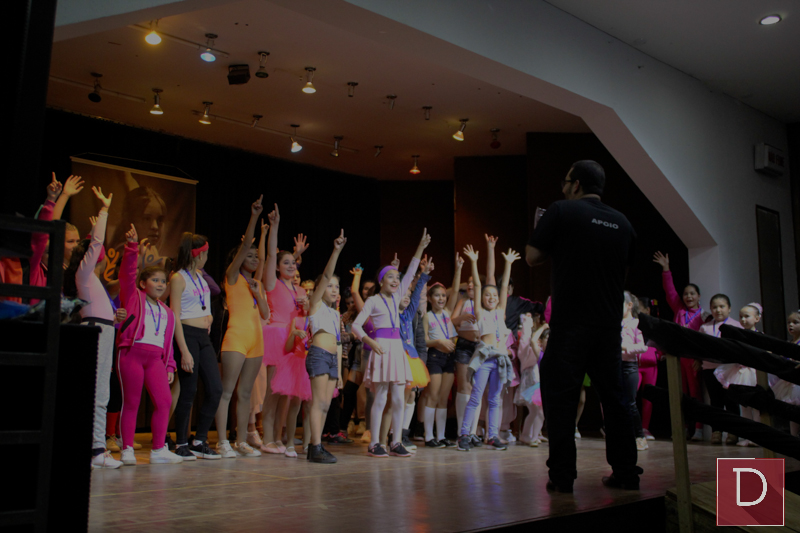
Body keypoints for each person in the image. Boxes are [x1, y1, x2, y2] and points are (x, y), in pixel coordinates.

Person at [526, 160, 640, 493]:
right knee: (616, 401)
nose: (563, 188)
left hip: (570, 325)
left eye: (565, 182)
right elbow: (623, 270)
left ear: (575, 184)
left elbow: (532, 257)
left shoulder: (561, 211)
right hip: (608, 328)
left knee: (561, 400)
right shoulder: (623, 223)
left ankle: (562, 478)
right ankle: (626, 474)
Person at [352, 229, 430, 458]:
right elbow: (356, 326)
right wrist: (370, 341)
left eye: (397, 277)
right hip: (382, 348)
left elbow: (412, 271)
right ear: (381, 281)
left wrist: (421, 247)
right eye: (391, 277)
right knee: (380, 398)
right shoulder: (373, 300)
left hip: (397, 348)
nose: (396, 280)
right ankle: (375, 442)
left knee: (398, 398)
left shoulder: (397, 297)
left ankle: (395, 441)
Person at [63, 185, 123, 469]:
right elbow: (96, 242)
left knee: (101, 392)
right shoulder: (83, 274)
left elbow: (94, 244)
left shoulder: (90, 278)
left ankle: (96, 448)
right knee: (98, 392)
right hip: (97, 331)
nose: (98, 254)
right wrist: (104, 210)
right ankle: (96, 450)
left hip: (104, 330)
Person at [118, 224, 183, 465]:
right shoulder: (134, 297)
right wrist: (132, 247)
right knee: (132, 402)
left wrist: (170, 365)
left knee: (164, 402)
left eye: (163, 281)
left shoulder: (167, 312)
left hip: (155, 360)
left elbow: (168, 342)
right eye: (155, 280)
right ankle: (127, 448)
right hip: (132, 354)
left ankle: (158, 450)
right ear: (143, 283)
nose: (160, 284)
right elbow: (127, 275)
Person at [213, 196, 270, 458]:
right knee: (226, 392)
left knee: (245, 393)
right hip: (236, 338)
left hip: (256, 340)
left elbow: (265, 313)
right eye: (250, 255)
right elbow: (246, 243)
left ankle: (240, 441)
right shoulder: (232, 276)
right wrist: (255, 216)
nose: (255, 258)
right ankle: (222, 442)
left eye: (256, 256)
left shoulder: (256, 284)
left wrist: (258, 294)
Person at [457, 245, 519, 452]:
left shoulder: (500, 312)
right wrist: (474, 262)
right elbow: (477, 284)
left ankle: (493, 436)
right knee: (476, 397)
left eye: (494, 295)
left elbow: (504, 287)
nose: (491, 297)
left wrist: (508, 264)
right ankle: (464, 434)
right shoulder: (481, 313)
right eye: (487, 295)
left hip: (499, 360)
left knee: (494, 400)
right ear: (481, 299)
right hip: (484, 359)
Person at [169, 232, 223, 460]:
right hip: (187, 335)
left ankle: (199, 440)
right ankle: (181, 442)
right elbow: (175, 315)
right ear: (198, 255)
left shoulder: (200, 276)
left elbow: (207, 300)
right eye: (205, 254)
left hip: (203, 336)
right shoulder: (177, 278)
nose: (207, 258)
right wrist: (183, 350)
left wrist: (208, 317)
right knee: (188, 390)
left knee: (215, 388)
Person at [652, 250, 706, 440]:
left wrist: (700, 359)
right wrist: (666, 269)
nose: (688, 297)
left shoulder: (704, 316)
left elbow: (704, 340)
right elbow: (670, 291)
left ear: (698, 296)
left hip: (692, 358)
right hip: (677, 357)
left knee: (695, 393)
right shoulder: (679, 310)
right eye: (686, 294)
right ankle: (682, 427)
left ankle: (698, 429)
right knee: (680, 393)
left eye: (692, 294)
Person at [304, 230, 347, 463]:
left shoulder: (334, 313)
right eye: (329, 286)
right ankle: (315, 446)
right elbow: (328, 273)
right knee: (318, 402)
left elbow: (338, 343)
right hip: (319, 355)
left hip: (331, 360)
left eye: (336, 287)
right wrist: (336, 251)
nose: (333, 290)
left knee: (326, 405)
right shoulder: (316, 305)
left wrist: (338, 372)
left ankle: (316, 446)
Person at [423, 255, 463, 448]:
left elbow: (455, 290)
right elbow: (423, 341)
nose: (441, 298)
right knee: (433, 395)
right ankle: (428, 436)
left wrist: (458, 268)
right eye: (437, 296)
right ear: (429, 299)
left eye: (443, 295)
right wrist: (438, 341)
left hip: (449, 358)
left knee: (443, 398)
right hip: (435, 357)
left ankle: (440, 436)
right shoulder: (427, 316)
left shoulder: (447, 312)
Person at [714, 302, 762, 447]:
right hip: (740, 372)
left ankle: (759, 437)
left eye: (747, 316)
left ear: (757, 318)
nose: (743, 320)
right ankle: (747, 436)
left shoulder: (760, 337)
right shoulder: (738, 335)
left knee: (757, 406)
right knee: (744, 406)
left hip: (754, 373)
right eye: (741, 317)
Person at [698, 294, 743, 445]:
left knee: (731, 401)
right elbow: (699, 347)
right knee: (715, 401)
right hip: (710, 369)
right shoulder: (704, 327)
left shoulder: (736, 326)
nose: (718, 310)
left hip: (730, 369)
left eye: (722, 306)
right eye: (715, 307)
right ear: (710, 309)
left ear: (729, 308)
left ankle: (734, 432)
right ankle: (716, 432)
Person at [621, 291, 648, 451]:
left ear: (629, 305)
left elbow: (643, 347)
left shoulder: (636, 323)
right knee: (618, 403)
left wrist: (626, 347)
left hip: (629, 367)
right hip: (615, 366)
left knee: (630, 403)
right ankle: (625, 437)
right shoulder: (615, 324)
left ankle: (640, 436)